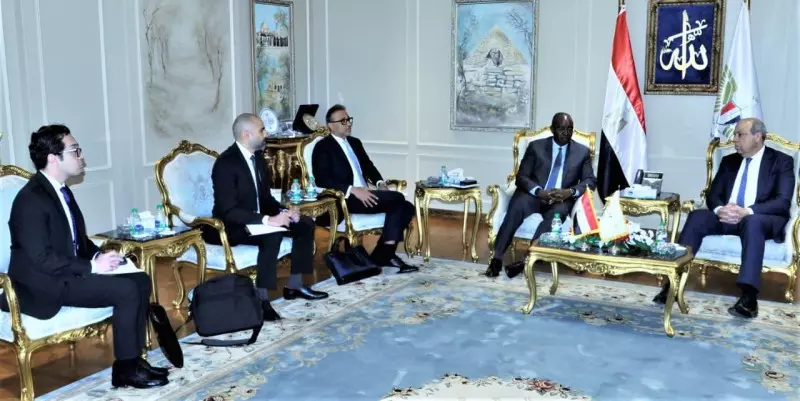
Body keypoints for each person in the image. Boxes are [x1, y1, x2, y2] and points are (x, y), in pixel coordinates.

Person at [1, 125, 168, 388]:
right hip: (44, 284)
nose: (82, 156)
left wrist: (101, 255)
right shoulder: (30, 200)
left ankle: (132, 361)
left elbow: (77, 238)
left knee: (139, 279)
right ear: (53, 158)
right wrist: (92, 266)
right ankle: (126, 369)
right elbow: (41, 258)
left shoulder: (61, 190)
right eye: (75, 151)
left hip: (66, 272)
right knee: (125, 290)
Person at [653, 118, 795, 318]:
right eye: (735, 134)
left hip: (761, 219)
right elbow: (713, 195)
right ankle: (672, 285)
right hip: (727, 216)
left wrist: (748, 211)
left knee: (752, 222)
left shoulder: (781, 161)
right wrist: (720, 209)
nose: (734, 139)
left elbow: (782, 202)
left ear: (757, 136)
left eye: (740, 135)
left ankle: (749, 298)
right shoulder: (730, 161)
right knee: (697, 217)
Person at [206, 113, 329, 322]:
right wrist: (268, 220)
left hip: (259, 220)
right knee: (272, 235)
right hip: (233, 225)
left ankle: (295, 286)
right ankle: (262, 300)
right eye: (262, 130)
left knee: (305, 224)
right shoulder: (226, 163)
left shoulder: (259, 159)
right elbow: (228, 210)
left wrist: (284, 211)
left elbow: (265, 198)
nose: (266, 134)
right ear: (247, 134)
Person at [486, 112, 597, 278]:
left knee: (555, 217)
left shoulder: (581, 152)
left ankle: (526, 259)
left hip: (561, 199)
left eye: (570, 129)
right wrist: (539, 191)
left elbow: (590, 180)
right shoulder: (536, 147)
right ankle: (497, 258)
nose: (566, 133)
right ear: (552, 129)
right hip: (535, 194)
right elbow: (521, 177)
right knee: (517, 207)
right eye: (561, 129)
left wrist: (569, 192)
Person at [312, 104, 418, 273]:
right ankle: (385, 255)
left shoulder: (355, 142)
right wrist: (352, 190)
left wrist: (380, 184)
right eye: (343, 121)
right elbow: (321, 179)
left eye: (349, 119)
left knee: (406, 206)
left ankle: (384, 253)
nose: (348, 123)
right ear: (330, 125)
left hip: (365, 194)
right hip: (345, 198)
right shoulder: (323, 147)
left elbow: (368, 167)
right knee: (398, 199)